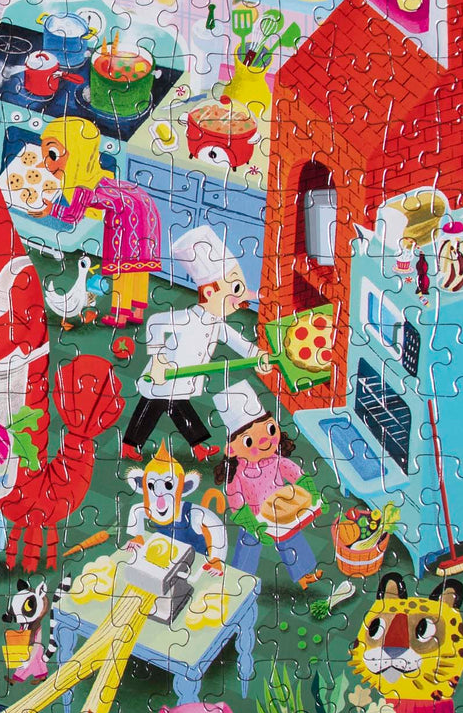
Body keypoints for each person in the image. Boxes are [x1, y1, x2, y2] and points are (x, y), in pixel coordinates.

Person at [125, 226, 270, 462]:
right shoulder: (188, 318)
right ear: (211, 293)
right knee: (152, 406)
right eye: (236, 288)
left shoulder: (217, 323)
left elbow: (237, 341)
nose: (243, 297)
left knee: (177, 408)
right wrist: (159, 359)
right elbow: (155, 323)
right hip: (163, 376)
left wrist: (257, 355)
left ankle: (197, 446)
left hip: (182, 379)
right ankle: (130, 444)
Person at [42, 116, 162, 326]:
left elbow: (73, 215)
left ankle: (120, 315)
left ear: (76, 152)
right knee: (138, 266)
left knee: (123, 267)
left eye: (52, 154)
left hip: (129, 218)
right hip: (146, 208)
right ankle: (137, 312)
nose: (46, 163)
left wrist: (50, 209)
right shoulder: (96, 177)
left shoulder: (83, 184)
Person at [214, 381, 323, 589]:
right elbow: (236, 501)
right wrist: (251, 524)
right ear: (231, 449)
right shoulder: (237, 474)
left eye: (270, 429)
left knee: (292, 539)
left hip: (283, 510)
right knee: (248, 547)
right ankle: (238, 581)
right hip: (255, 518)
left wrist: (312, 492)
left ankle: (304, 574)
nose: (264, 441)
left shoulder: (275, 460)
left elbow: (295, 473)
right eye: (249, 441)